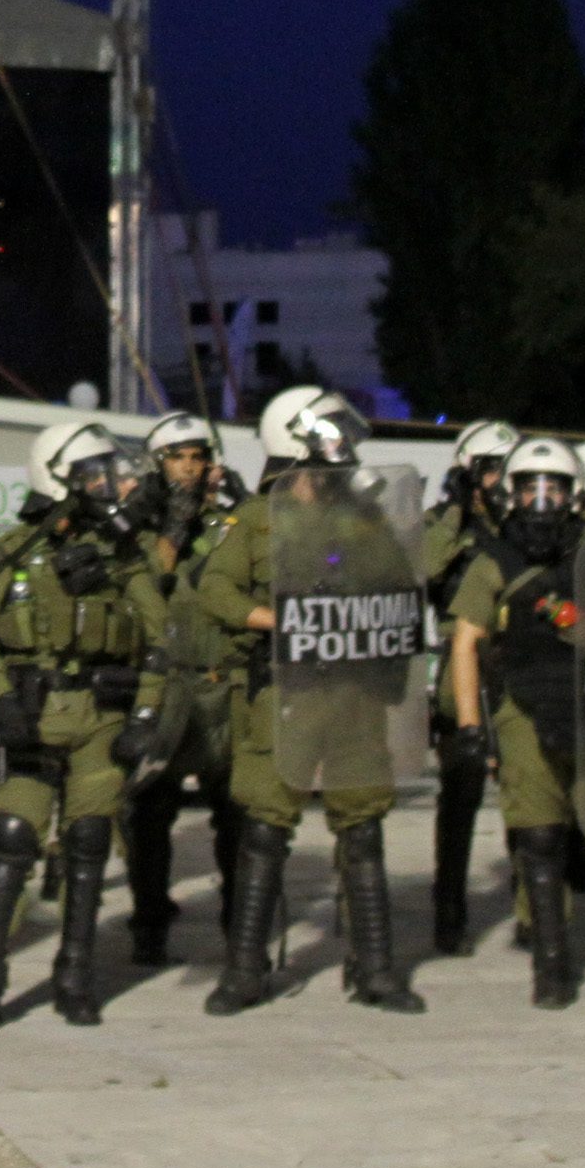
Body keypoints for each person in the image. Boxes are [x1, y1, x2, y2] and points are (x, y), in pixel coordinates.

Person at [189, 386, 427, 1017]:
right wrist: (270, 619)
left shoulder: (361, 515)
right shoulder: (253, 519)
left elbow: (399, 587)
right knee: (265, 829)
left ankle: (374, 969)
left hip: (351, 692)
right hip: (284, 694)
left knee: (362, 825)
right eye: (328, 434)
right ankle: (245, 970)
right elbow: (213, 589)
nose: (340, 446)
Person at [0, 417, 167, 1035]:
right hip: (35, 719)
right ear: (58, 478)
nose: (107, 485)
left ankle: (75, 980)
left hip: (101, 720)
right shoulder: (14, 552)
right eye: (91, 474)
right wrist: (3, 700)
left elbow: (160, 640)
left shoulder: (123, 554)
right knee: (12, 835)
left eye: (107, 472)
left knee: (89, 844)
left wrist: (145, 716)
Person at [445, 439, 585, 1017]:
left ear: (574, 496)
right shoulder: (493, 560)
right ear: (513, 494)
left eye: (554, 489)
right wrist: (470, 724)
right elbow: (466, 640)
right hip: (524, 710)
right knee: (540, 839)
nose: (542, 500)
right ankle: (551, 968)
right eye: (530, 488)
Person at [112, 410, 244, 964]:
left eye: (197, 458)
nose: (188, 469)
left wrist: (233, 511)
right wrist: (174, 524)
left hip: (221, 682)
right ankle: (149, 924)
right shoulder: (136, 523)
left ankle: (241, 922)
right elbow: (148, 578)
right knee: (149, 813)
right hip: (165, 687)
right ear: (157, 465)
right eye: (177, 459)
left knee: (237, 810)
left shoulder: (227, 519)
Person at [420, 419, 520, 957]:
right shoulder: (443, 520)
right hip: (461, 666)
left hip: (516, 661)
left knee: (528, 791)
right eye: (489, 468)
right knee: (460, 796)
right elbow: (423, 566)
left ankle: (532, 905)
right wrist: (458, 511)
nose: (500, 479)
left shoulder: (524, 520)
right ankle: (449, 911)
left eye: (507, 467)